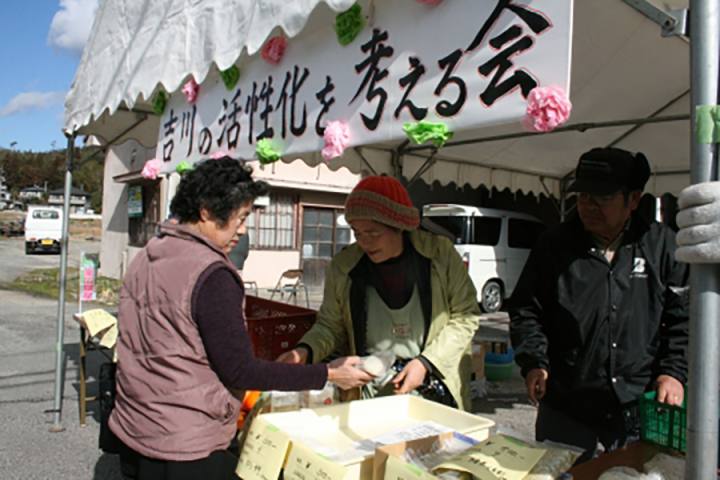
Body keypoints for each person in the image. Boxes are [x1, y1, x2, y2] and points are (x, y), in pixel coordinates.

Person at [110, 157, 367, 480]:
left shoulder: (149, 254)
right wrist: (329, 374)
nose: (243, 229)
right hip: (185, 444)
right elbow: (240, 370)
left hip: (134, 426)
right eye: (241, 217)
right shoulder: (211, 274)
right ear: (206, 211)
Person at [509, 147, 689, 464]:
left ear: (633, 199)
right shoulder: (554, 244)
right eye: (583, 197)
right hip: (567, 405)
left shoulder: (662, 245)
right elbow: (526, 309)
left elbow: (684, 319)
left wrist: (673, 372)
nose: (588, 206)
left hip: (636, 405)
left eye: (602, 198)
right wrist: (534, 361)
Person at [278, 175, 481, 410]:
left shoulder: (440, 256)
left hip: (432, 381)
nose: (364, 242)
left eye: (373, 233)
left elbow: (465, 317)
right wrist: (305, 351)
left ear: (399, 226)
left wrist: (426, 363)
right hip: (369, 389)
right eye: (357, 233)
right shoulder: (344, 267)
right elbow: (330, 326)